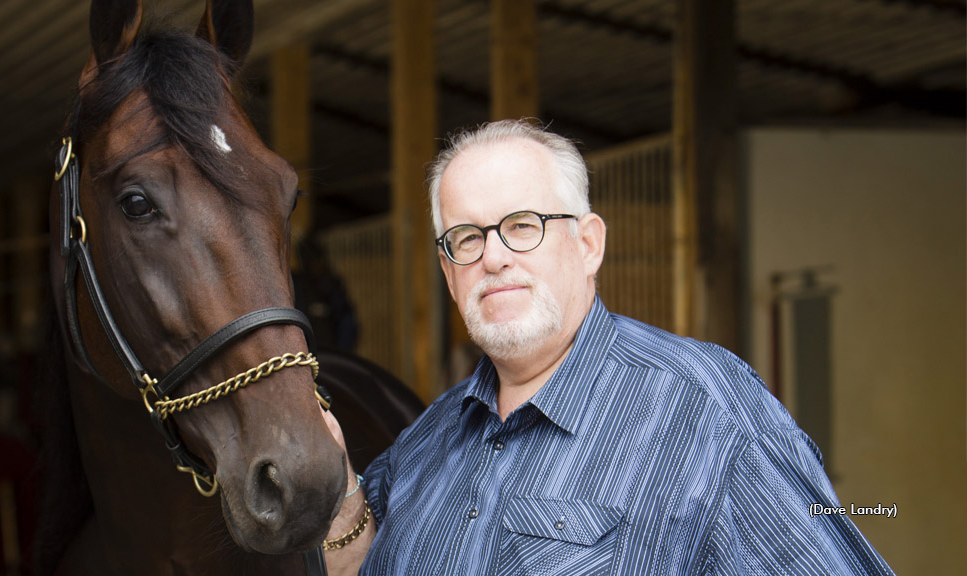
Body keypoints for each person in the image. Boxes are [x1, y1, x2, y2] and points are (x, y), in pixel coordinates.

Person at [320, 118, 894, 575]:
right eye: (466, 237)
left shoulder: (706, 412)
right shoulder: (425, 442)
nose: (493, 257)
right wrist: (343, 491)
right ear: (449, 274)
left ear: (589, 244)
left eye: (522, 225)